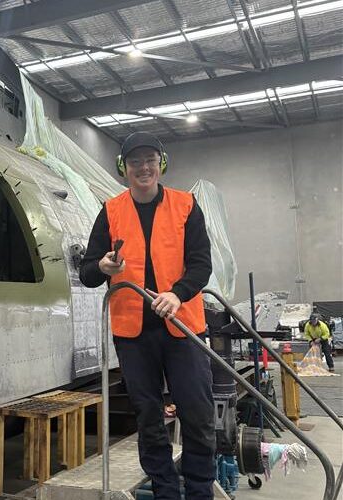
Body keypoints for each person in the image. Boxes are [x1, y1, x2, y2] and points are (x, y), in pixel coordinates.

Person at [79, 132, 215, 500]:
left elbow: (201, 265)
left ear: (161, 163)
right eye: (135, 161)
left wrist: (177, 294)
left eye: (150, 160)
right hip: (134, 334)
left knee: (197, 413)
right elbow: (87, 272)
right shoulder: (110, 211)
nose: (143, 168)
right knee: (149, 418)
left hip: (183, 327)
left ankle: (200, 492)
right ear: (124, 168)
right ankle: (165, 492)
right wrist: (103, 266)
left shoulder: (186, 206)